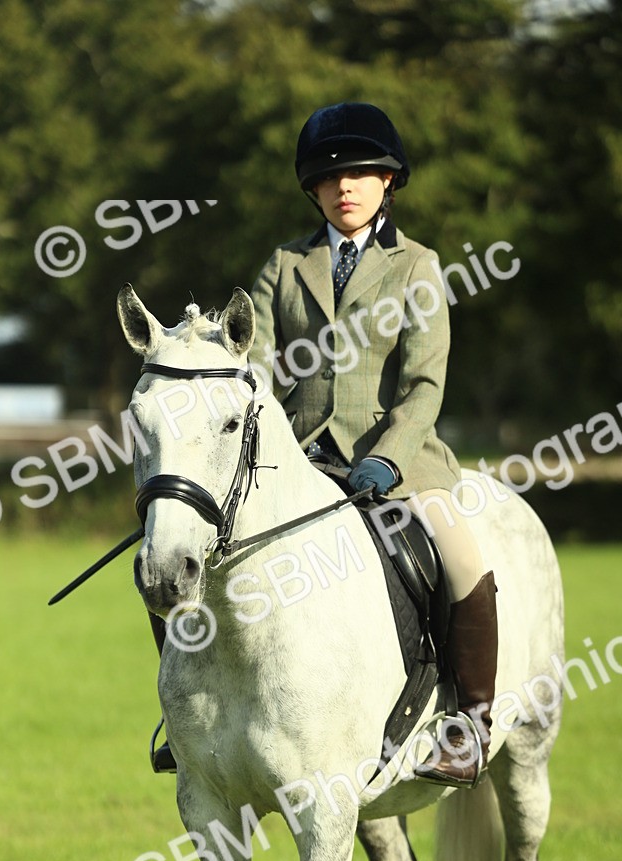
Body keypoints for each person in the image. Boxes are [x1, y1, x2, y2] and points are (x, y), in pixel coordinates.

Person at [248, 101, 498, 788]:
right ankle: (193, 721)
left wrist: (386, 458)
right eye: (330, 177)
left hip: (401, 460)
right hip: (300, 459)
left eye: (361, 173)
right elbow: (258, 372)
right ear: (313, 190)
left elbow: (424, 385)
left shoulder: (417, 266)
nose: (344, 186)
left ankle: (470, 726)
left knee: (459, 554)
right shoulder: (284, 266)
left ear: (389, 181)